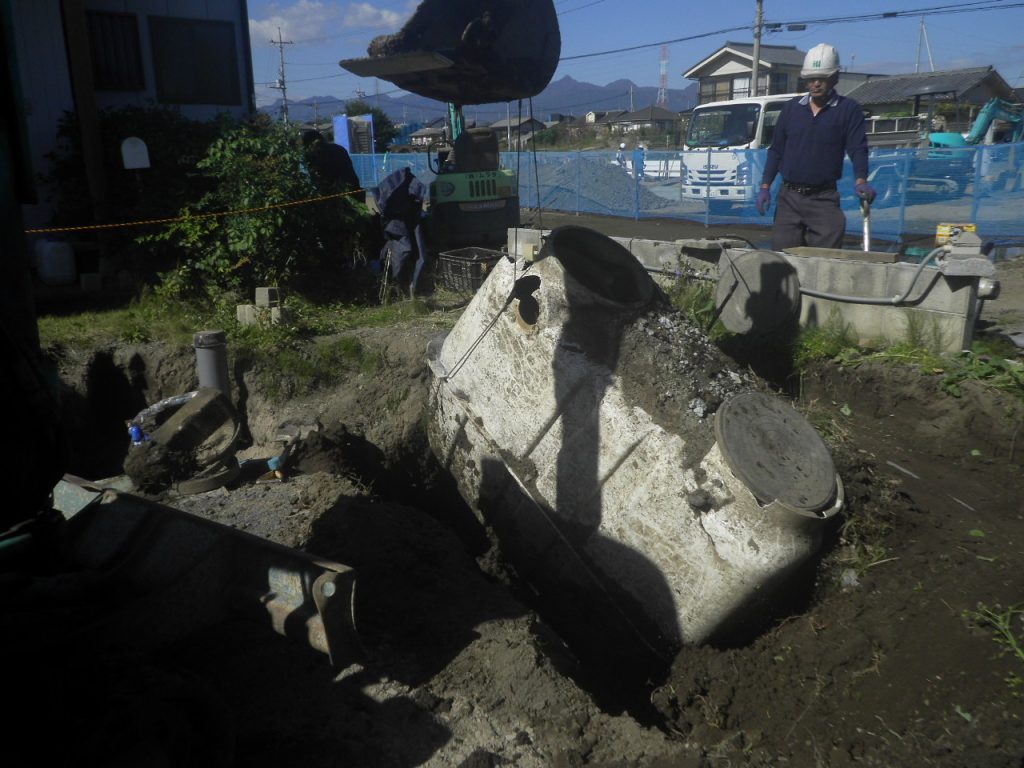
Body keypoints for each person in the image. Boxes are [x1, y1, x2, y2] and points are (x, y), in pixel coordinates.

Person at [756, 43, 876, 250]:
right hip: (789, 198)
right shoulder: (792, 109)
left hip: (824, 197)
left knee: (825, 261)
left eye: (822, 79)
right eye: (811, 79)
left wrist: (861, 180)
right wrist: (765, 186)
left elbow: (857, 148)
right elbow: (776, 150)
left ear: (835, 78)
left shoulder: (848, 110)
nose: (816, 84)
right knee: (784, 260)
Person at [301, 129, 361, 194]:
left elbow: (321, 175)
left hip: (342, 190)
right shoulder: (336, 149)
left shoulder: (327, 153)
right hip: (351, 187)